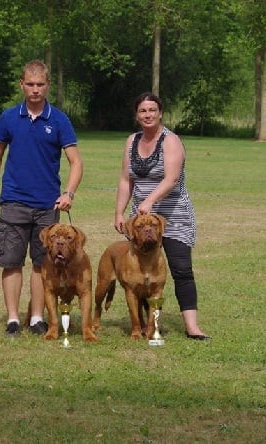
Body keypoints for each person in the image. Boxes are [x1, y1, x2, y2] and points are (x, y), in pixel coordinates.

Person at [0, 60, 83, 337]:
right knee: (11, 262)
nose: (35, 90)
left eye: (40, 85)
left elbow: (76, 162)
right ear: (22, 85)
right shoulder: (9, 117)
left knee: (42, 263)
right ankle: (13, 319)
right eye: (30, 84)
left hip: (48, 205)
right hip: (13, 201)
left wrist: (68, 193)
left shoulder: (59, 119)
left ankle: (37, 317)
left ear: (47, 86)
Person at [114, 92, 210, 341]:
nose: (148, 115)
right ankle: (148, 325)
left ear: (160, 113)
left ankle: (192, 327)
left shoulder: (171, 141)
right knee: (141, 271)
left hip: (174, 215)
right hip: (142, 219)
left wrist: (150, 200)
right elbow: (126, 179)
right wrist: (120, 212)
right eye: (143, 111)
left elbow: (172, 178)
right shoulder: (131, 141)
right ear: (137, 115)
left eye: (152, 110)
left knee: (181, 269)